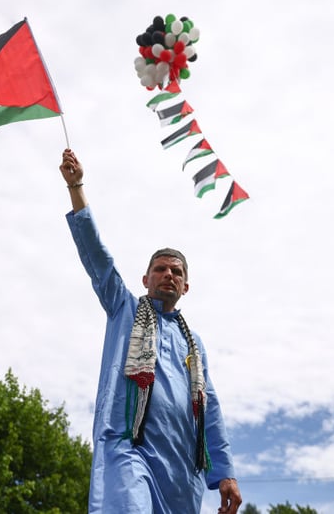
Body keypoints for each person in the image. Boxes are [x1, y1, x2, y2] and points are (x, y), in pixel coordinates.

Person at [59, 149, 242, 514]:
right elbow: (98, 258)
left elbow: (211, 408)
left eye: (176, 271)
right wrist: (76, 186)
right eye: (160, 269)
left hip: (181, 472)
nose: (168, 275)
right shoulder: (124, 308)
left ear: (186, 286)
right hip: (130, 450)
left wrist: (225, 472)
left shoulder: (195, 344)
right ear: (146, 279)